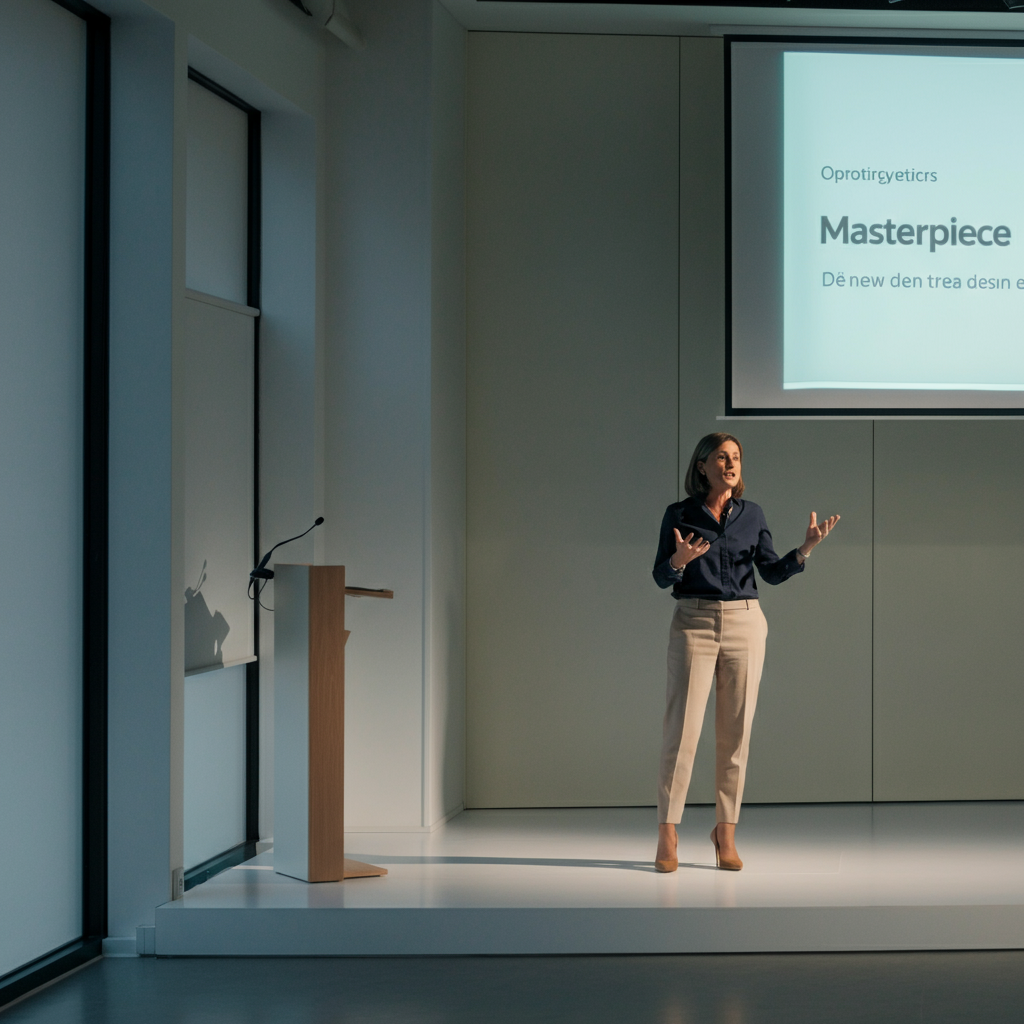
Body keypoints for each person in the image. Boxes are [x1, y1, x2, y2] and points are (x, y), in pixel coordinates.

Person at [651, 432, 839, 873]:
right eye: (721, 457)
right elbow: (661, 576)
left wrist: (805, 549)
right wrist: (678, 560)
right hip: (694, 621)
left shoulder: (751, 514)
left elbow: (771, 572)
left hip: (745, 622)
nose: (731, 463)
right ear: (703, 466)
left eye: (735, 457)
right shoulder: (679, 514)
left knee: (735, 734)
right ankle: (667, 832)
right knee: (681, 733)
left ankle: (726, 832)